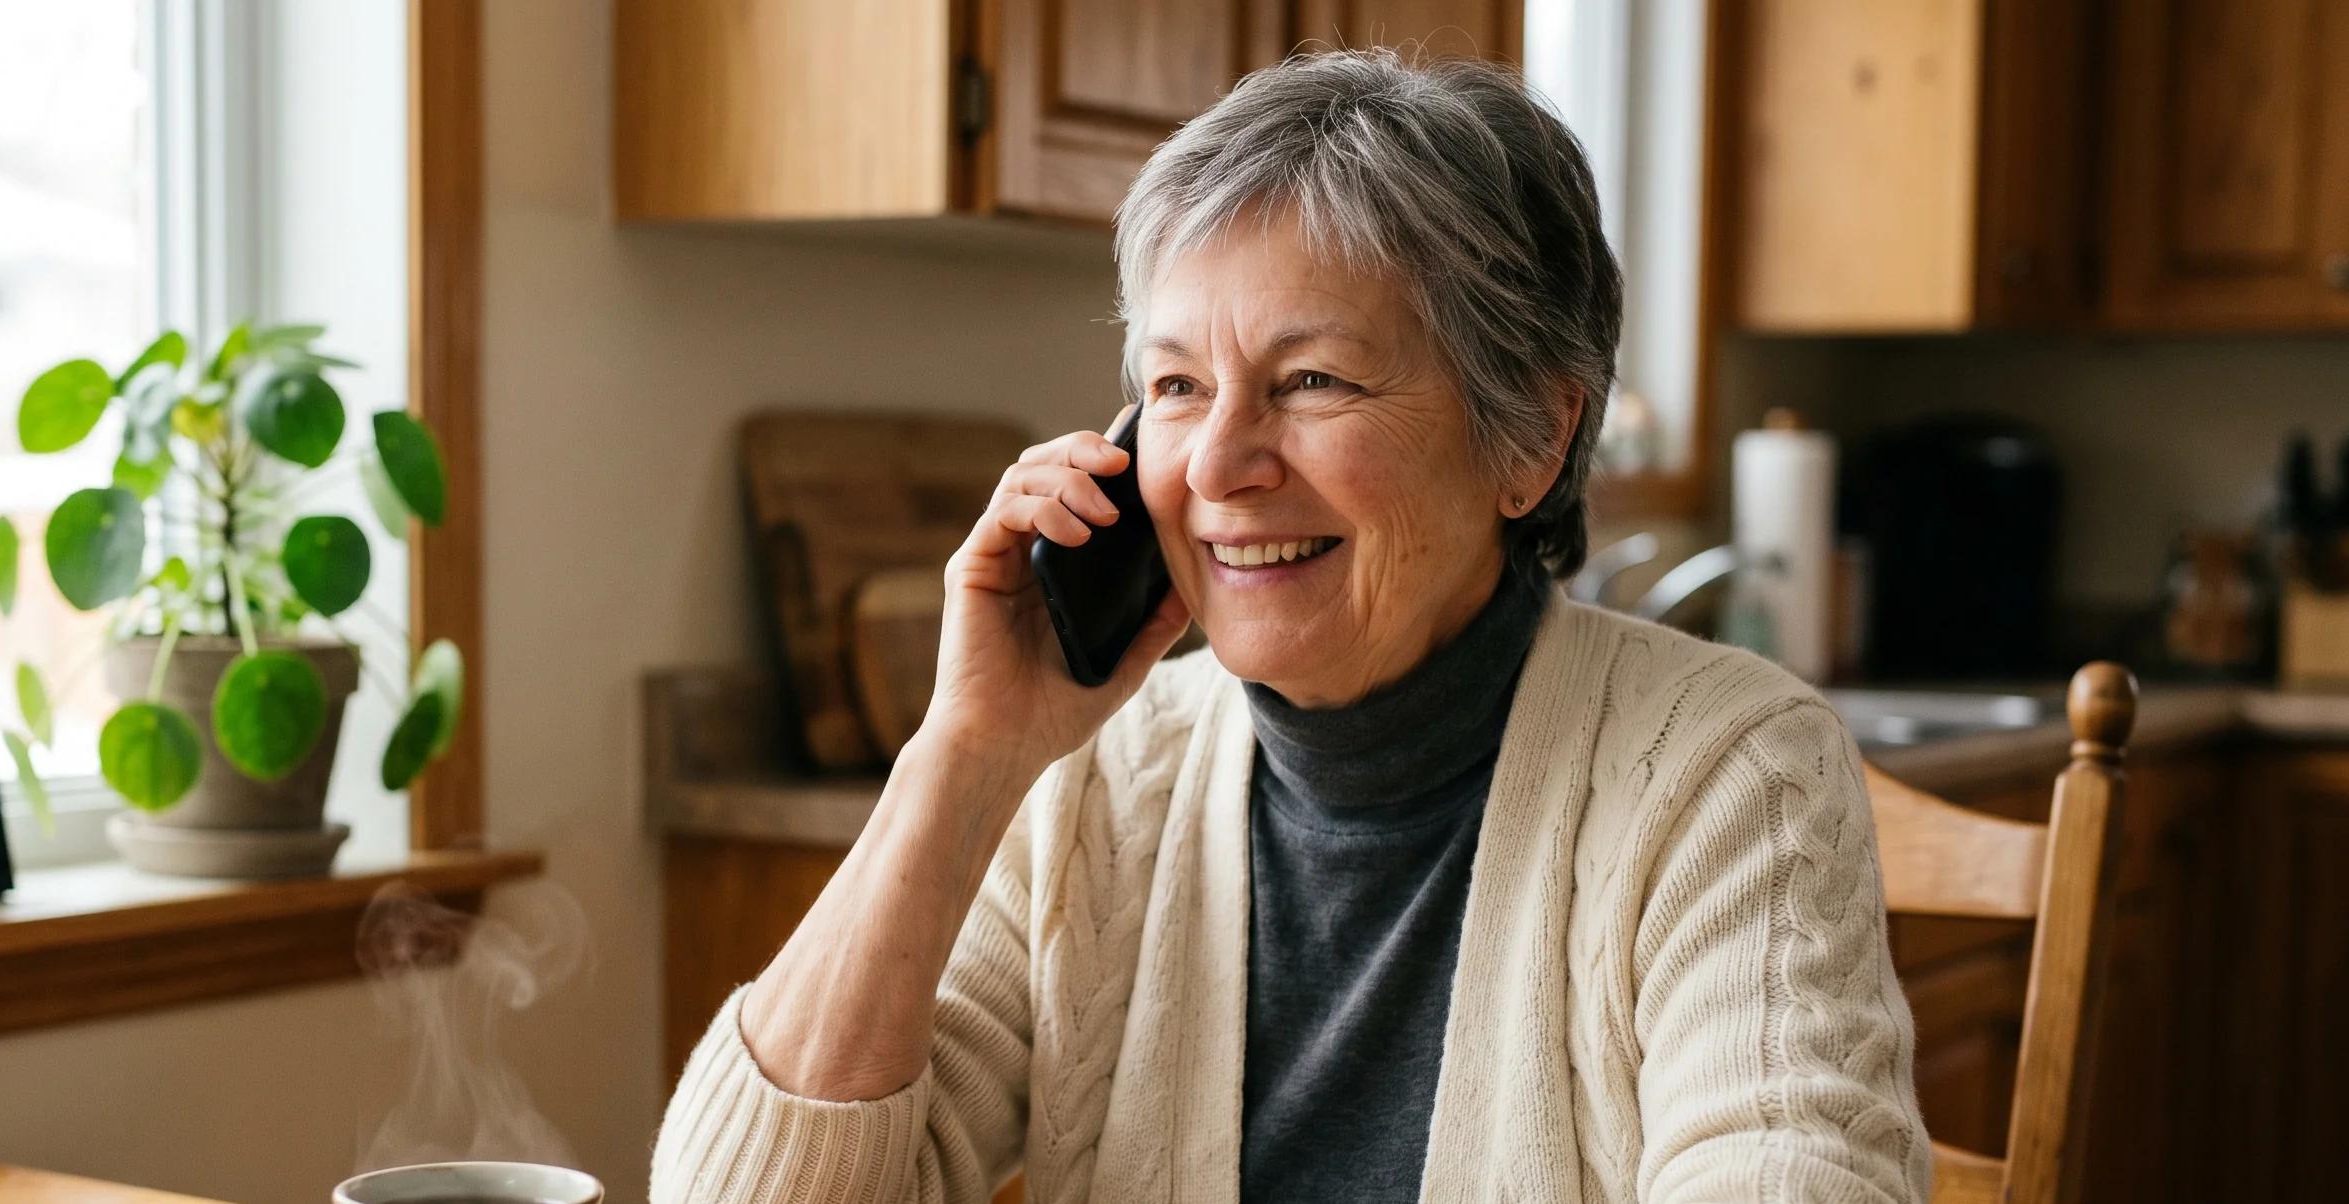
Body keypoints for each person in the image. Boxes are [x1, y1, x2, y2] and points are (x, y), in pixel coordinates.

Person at [653, 51, 1929, 1204]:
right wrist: (962, 757)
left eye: (1310, 380)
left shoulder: (1728, 772)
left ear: (1532, 438)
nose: (1215, 462)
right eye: (1175, 386)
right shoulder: (1092, 778)